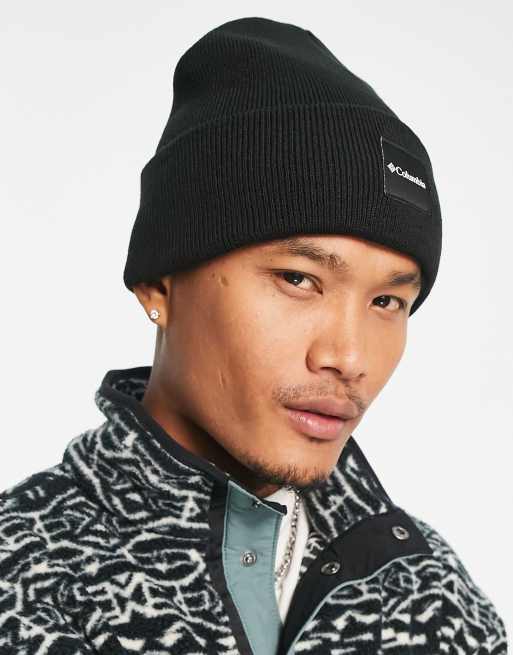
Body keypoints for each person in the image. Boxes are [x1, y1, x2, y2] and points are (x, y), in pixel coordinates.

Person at [0, 16, 507, 655]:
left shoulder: (432, 592)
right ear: (159, 285)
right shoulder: (24, 575)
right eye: (298, 279)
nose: (349, 357)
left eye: (387, 301)